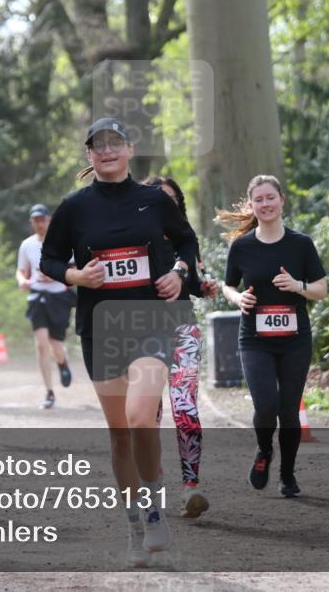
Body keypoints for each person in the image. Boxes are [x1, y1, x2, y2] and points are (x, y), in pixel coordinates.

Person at [40, 118, 199, 567]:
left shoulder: (153, 201)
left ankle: (154, 512)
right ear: (89, 156)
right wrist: (75, 275)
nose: (107, 150)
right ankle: (134, 525)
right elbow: (49, 258)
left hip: (149, 318)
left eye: (115, 143)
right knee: (120, 434)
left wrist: (178, 273)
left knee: (139, 417)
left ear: (129, 149)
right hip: (100, 325)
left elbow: (187, 242)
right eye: (98, 145)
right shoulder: (74, 207)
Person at [217, 175, 327, 498]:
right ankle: (264, 450)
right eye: (258, 200)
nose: (265, 204)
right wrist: (237, 299)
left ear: (281, 201)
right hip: (254, 338)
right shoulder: (242, 246)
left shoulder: (300, 244)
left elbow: (321, 289)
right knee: (266, 405)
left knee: (289, 411)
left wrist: (297, 287)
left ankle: (287, 475)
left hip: (295, 339)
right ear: (252, 205)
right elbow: (228, 285)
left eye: (270, 198)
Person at [142, 176, 219, 519]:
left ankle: (191, 487)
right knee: (148, 414)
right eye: (158, 198)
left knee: (185, 406)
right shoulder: (135, 238)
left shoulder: (187, 239)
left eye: (170, 199)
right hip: (141, 330)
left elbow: (197, 282)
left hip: (183, 329)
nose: (165, 204)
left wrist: (206, 287)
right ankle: (152, 485)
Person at [15, 203, 75, 408]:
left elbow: (75, 269)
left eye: (43, 219)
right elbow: (21, 270)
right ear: (32, 222)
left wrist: (58, 275)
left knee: (56, 345)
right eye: (36, 220)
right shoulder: (26, 245)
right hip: (37, 296)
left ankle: (62, 362)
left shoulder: (62, 242)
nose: (40, 224)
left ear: (50, 220)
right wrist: (22, 281)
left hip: (59, 297)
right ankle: (49, 392)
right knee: (41, 345)